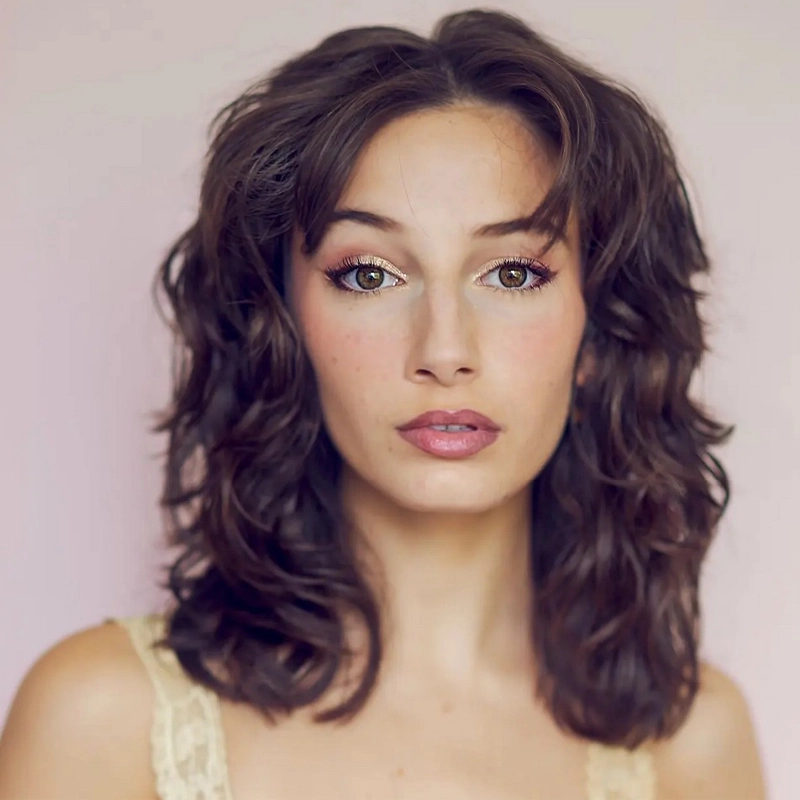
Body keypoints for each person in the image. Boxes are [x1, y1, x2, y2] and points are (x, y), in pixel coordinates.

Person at [0, 8, 766, 799]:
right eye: (370, 274)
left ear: (599, 336)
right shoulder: (99, 721)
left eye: (512, 274)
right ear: (283, 322)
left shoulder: (691, 746)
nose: (443, 351)